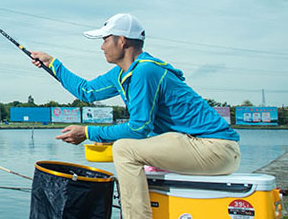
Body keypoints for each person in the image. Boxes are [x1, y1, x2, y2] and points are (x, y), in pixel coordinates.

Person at [30, 13, 240, 219]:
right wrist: (53, 63)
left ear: (122, 41)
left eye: (105, 40)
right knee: (128, 149)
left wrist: (87, 132)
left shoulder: (145, 71)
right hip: (196, 147)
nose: (102, 47)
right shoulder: (122, 73)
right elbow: (87, 91)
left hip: (215, 149)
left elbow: (139, 128)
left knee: (124, 149)